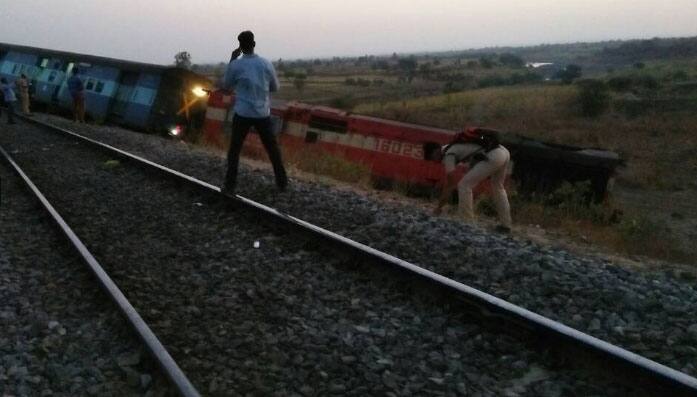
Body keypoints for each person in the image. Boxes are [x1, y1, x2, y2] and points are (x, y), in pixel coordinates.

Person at [220, 30, 287, 195]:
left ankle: (230, 185)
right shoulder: (265, 64)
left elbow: (225, 86)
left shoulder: (236, 65)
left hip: (242, 114)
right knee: (272, 149)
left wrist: (231, 60)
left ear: (240, 47)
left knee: (235, 149)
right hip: (262, 114)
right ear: (254, 44)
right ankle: (282, 182)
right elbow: (275, 87)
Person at [433, 127, 512, 232]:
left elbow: (451, 183)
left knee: (464, 185)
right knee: (498, 187)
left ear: (436, 152)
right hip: (504, 151)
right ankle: (506, 225)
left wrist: (439, 207)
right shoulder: (457, 146)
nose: (434, 161)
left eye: (432, 157)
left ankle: (466, 223)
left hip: (494, 154)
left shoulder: (448, 154)